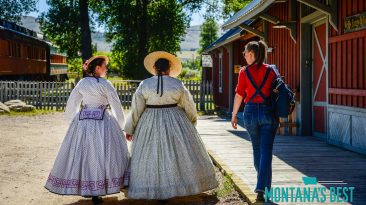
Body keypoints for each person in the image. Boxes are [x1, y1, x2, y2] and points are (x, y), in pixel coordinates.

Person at [125, 51, 218, 200]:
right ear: (169, 68)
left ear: (154, 68)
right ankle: (176, 185)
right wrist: (191, 122)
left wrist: (130, 128)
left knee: (152, 154)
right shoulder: (177, 84)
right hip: (175, 119)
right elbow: (189, 105)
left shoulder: (145, 84)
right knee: (176, 154)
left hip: (149, 120)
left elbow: (136, 108)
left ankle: (153, 187)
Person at [44, 56, 129, 204]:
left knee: (85, 155)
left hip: (83, 120)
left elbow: (72, 103)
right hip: (103, 121)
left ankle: (87, 188)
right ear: (97, 68)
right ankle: (98, 190)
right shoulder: (105, 84)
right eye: (104, 66)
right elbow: (116, 105)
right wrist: (121, 125)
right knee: (103, 154)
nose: (106, 68)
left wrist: (72, 121)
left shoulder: (82, 83)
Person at [231, 41, 279, 202]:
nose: (244, 55)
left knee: (257, 150)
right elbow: (278, 91)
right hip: (267, 112)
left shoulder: (244, 72)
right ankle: (264, 188)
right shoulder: (271, 70)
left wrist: (234, 114)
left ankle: (261, 187)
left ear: (251, 53)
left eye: (245, 53)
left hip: (250, 112)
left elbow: (239, 95)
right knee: (266, 152)